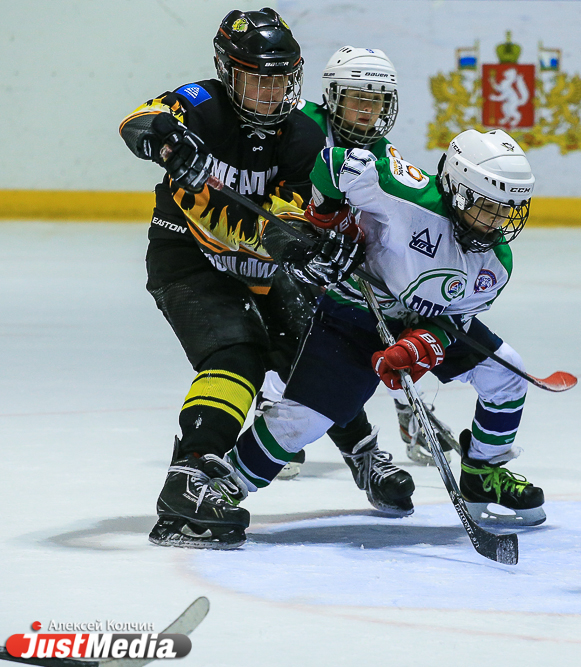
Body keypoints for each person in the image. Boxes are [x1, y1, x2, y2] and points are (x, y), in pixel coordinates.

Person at [118, 8, 362, 549]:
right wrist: (165, 139)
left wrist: (308, 240)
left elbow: (297, 217)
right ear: (228, 72)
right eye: (257, 77)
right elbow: (137, 122)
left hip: (258, 266)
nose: (269, 91)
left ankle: (362, 448)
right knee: (236, 354)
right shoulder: (201, 104)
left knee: (319, 346)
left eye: (279, 78)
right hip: (187, 260)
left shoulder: (301, 134)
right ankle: (190, 478)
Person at [220, 128, 547, 527]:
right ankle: (225, 483)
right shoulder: (402, 193)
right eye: (488, 207)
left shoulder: (495, 264)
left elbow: (453, 321)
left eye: (508, 210)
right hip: (353, 314)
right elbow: (333, 164)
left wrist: (419, 347)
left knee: (506, 370)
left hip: (417, 321)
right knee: (303, 420)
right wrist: (329, 216)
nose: (498, 222)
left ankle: (483, 473)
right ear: (458, 190)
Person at [263, 45, 464, 474]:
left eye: (376, 100)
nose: (366, 110)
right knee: (286, 323)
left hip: (332, 262)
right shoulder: (299, 127)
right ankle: (275, 406)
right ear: (333, 96)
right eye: (357, 97)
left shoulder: (382, 153)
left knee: (396, 311)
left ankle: (411, 409)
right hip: (274, 249)